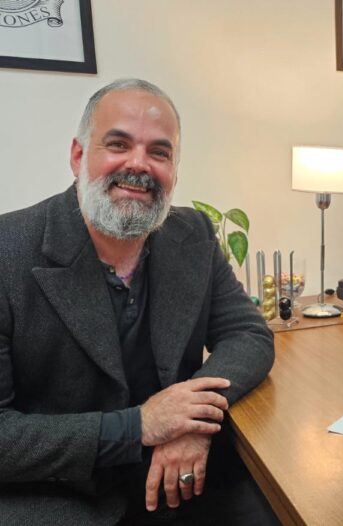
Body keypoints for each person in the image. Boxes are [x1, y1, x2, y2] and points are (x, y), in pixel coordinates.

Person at [0, 79, 277, 525]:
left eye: (159, 152)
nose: (138, 165)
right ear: (78, 156)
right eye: (118, 144)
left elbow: (248, 335)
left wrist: (189, 423)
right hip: (59, 492)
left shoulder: (193, 235)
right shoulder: (7, 251)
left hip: (184, 477)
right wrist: (139, 426)